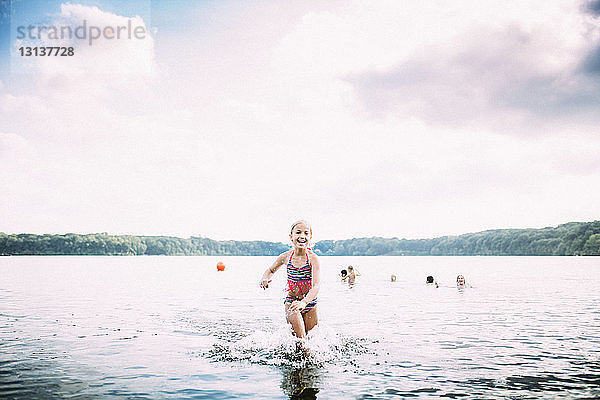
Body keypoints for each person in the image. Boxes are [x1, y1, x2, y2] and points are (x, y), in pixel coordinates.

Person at [260, 220, 321, 338]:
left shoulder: (313, 259)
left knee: (312, 341)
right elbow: (271, 270)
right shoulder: (286, 257)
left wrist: (304, 302)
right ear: (291, 236)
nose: (302, 236)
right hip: (292, 302)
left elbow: (316, 286)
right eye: (298, 232)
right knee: (301, 342)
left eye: (306, 233)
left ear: (310, 237)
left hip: (310, 303)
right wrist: (265, 279)